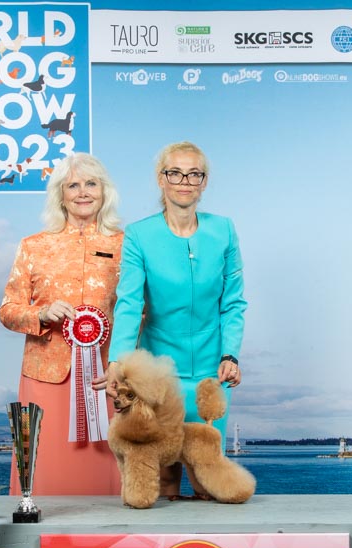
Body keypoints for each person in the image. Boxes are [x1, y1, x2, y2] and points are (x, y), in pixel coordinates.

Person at [106, 141, 247, 497]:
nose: (184, 182)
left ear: (204, 181)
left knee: (208, 480)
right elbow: (129, 302)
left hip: (212, 373)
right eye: (175, 173)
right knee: (163, 480)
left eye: (194, 174)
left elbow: (233, 303)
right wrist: (117, 362)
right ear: (161, 179)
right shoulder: (139, 235)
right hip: (158, 376)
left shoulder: (224, 230)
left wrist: (230, 355)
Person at [0, 152, 123, 495]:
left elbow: (141, 311)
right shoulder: (33, 246)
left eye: (91, 184)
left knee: (108, 473)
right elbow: (7, 310)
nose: (83, 192)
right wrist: (40, 314)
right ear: (60, 194)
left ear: (104, 191)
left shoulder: (126, 245)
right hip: (44, 378)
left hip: (107, 377)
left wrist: (125, 361)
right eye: (73, 185)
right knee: (43, 473)